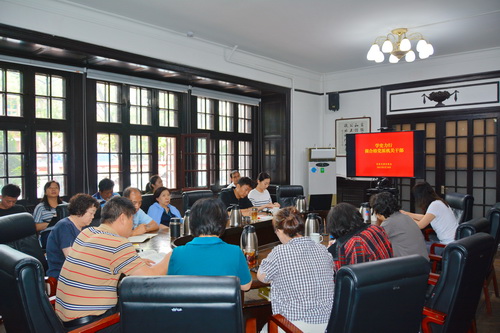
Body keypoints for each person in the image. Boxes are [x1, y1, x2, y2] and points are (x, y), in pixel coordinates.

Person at [55, 196, 170, 332]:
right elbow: (150, 278)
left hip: (63, 321)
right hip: (91, 325)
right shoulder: (118, 243)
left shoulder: (87, 232)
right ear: (122, 218)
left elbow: (101, 262)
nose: (132, 225)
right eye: (132, 220)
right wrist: (172, 255)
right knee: (153, 315)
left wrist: (134, 263)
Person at [257, 207, 334, 332]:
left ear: (280, 231)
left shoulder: (279, 252)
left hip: (293, 327)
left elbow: (262, 277)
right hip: (329, 324)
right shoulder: (322, 249)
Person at [167, 198, 252, 291]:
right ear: (223, 224)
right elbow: (246, 286)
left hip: (189, 305)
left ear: (192, 223)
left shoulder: (177, 253)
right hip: (222, 305)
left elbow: (171, 285)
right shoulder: (235, 251)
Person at [327, 202, 393, 273]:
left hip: (370, 282)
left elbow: (353, 277)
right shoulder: (376, 229)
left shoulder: (356, 243)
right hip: (386, 277)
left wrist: (330, 255)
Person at [46, 193, 99, 279]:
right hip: (62, 275)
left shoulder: (85, 228)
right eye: (91, 213)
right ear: (80, 211)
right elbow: (72, 259)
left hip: (78, 272)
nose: (93, 217)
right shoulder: (64, 226)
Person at [370, 192, 428, 259]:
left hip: (407, 265)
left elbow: (373, 242)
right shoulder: (405, 217)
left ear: (377, 210)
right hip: (422, 262)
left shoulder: (389, 223)